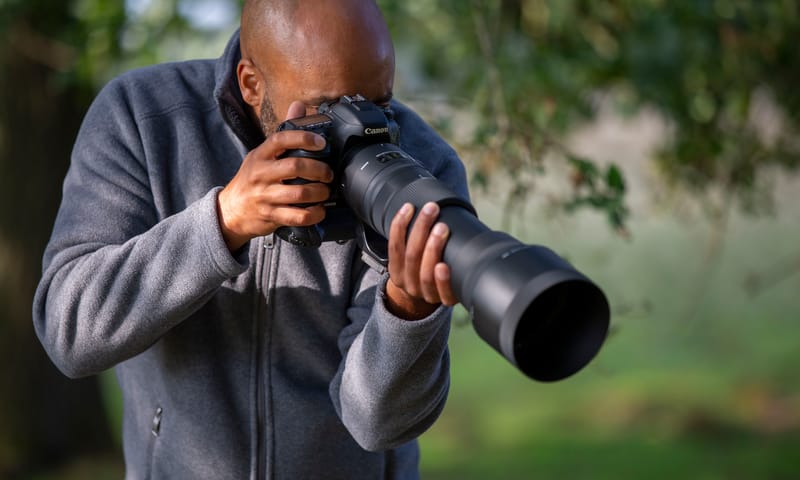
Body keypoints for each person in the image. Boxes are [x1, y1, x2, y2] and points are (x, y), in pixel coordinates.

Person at [32, 0, 469, 478]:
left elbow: (378, 424)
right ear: (251, 83)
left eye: (378, 102)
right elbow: (70, 332)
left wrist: (407, 310)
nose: (360, 126)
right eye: (327, 109)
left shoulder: (421, 169)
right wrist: (223, 221)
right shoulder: (142, 118)